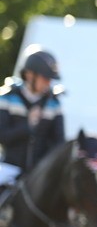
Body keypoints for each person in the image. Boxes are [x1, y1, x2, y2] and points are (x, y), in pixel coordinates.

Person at [0, 47, 66, 199]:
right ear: (30, 75)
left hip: (40, 171)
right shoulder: (7, 98)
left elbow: (59, 142)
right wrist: (28, 126)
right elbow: (2, 136)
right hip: (10, 166)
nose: (48, 84)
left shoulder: (54, 104)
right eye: (45, 78)